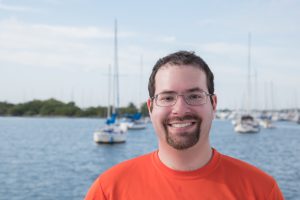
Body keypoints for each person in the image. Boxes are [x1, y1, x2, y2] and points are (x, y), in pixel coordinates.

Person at [85, 51, 284, 199]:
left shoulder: (261, 191)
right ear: (151, 107)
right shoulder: (109, 190)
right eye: (167, 97)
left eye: (195, 96)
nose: (180, 109)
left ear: (213, 104)